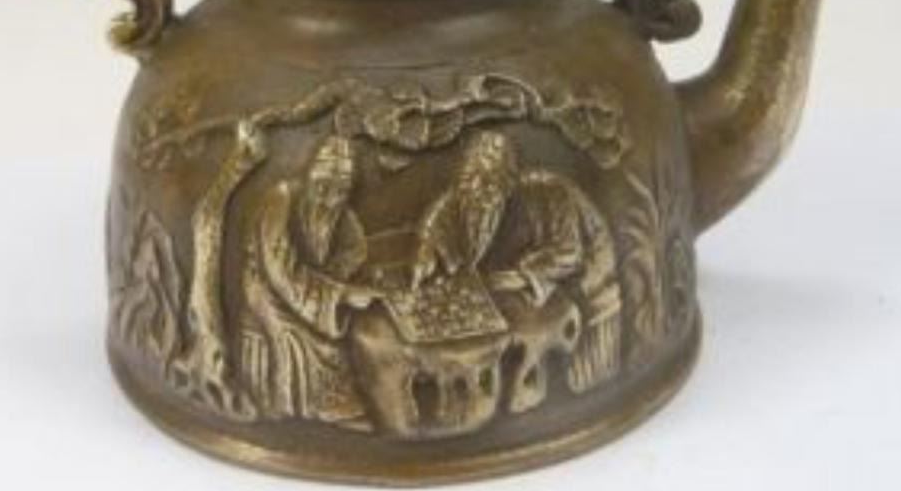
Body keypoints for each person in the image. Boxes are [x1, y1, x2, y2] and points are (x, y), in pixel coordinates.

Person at [413, 131, 622, 393]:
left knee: (589, 372)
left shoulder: (548, 195)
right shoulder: (466, 197)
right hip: (542, 294)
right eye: (472, 181)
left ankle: (585, 397)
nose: (478, 192)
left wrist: (525, 274)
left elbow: (569, 252)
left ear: (506, 183)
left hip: (594, 285)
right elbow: (438, 221)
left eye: (488, 184)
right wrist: (426, 252)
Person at [238, 134, 379, 427]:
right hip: (269, 294)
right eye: (325, 187)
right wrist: (339, 295)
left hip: (310, 293)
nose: (330, 199)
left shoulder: (339, 213)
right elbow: (280, 269)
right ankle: (304, 411)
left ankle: (341, 405)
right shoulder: (281, 199)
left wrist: (345, 276)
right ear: (313, 176)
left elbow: (356, 250)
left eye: (340, 191)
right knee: (304, 339)